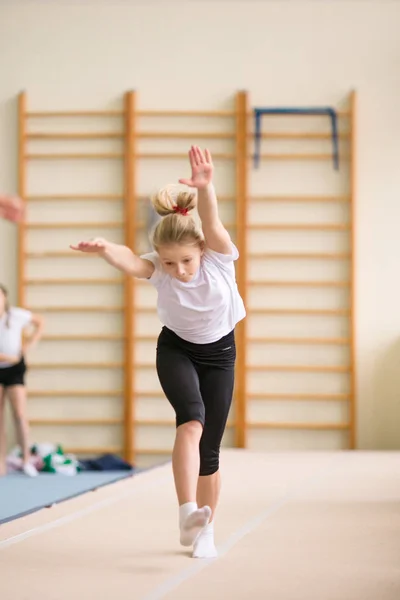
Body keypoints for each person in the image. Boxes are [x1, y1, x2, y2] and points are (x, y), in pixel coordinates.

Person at [70, 146, 246, 559]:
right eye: (169, 264)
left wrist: (205, 188)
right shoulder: (159, 268)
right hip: (177, 350)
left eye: (185, 261)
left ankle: (205, 531)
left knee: (211, 449)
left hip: (220, 354)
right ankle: (188, 512)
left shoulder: (219, 258)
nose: (179, 271)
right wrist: (105, 248)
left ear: (201, 251)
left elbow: (213, 221)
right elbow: (131, 261)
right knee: (191, 422)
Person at [0, 284, 44, 476]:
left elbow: (40, 322)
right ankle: (1, 462)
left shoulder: (15, 315)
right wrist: (8, 357)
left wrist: (29, 345)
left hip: (14, 371)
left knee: (19, 414)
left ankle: (26, 458)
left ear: (5, 298)